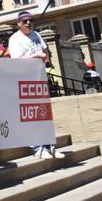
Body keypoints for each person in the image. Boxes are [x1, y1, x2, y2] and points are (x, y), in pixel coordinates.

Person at [7, 11, 63, 159]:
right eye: (24, 21)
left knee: (44, 115)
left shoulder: (36, 35)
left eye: (30, 20)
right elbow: (16, 60)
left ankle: (50, 147)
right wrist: (36, 56)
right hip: (25, 80)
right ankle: (38, 148)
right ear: (18, 23)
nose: (28, 23)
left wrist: (45, 57)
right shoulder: (15, 39)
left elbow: (44, 50)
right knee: (31, 116)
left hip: (40, 78)